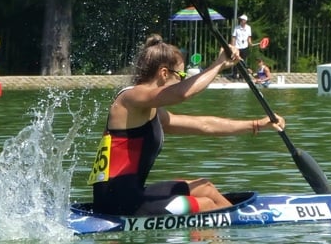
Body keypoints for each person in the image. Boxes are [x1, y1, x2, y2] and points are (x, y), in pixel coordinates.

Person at [87, 34, 285, 216]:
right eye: (181, 76)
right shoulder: (130, 98)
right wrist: (219, 64)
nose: (182, 81)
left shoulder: (151, 110)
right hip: (118, 204)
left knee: (206, 187)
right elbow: (182, 93)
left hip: (132, 194)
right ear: (164, 73)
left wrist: (257, 124)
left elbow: (204, 125)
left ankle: (240, 223)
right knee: (206, 205)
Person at [229, 14, 252, 79]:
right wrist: (233, 47)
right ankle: (234, 75)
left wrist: (250, 43)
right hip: (237, 47)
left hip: (245, 47)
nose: (241, 20)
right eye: (240, 19)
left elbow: (249, 37)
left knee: (243, 61)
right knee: (236, 61)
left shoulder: (248, 28)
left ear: (245, 21)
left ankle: (242, 76)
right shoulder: (236, 27)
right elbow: (233, 37)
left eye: (242, 20)